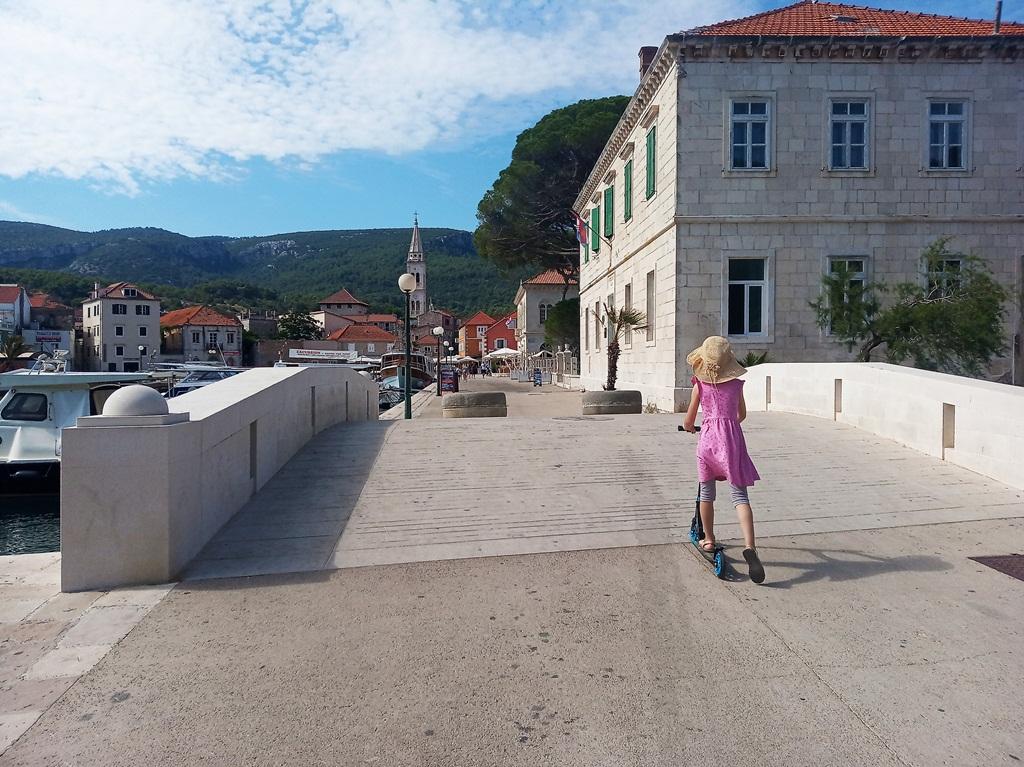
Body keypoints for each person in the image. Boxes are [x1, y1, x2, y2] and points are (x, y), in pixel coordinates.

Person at [681, 336, 765, 584]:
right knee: (740, 496)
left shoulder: (699, 385)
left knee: (707, 493)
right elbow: (742, 415)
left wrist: (692, 427)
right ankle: (750, 546)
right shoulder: (737, 385)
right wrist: (728, 426)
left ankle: (708, 539)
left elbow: (688, 420)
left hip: (707, 441)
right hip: (732, 442)